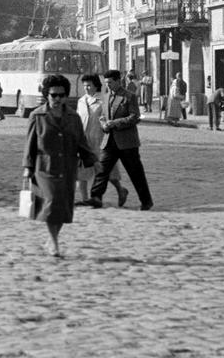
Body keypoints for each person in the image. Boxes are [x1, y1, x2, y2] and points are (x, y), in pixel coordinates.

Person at [22, 74, 98, 258]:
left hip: (67, 167)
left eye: (61, 95)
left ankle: (52, 238)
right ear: (47, 94)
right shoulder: (37, 115)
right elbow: (30, 143)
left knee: (62, 207)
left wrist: (93, 161)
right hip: (44, 167)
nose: (58, 99)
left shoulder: (73, 117)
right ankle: (54, 242)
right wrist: (27, 167)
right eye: (54, 95)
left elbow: (81, 141)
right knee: (51, 203)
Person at [84, 68, 154, 211]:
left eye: (110, 82)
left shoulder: (129, 96)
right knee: (102, 170)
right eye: (106, 83)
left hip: (127, 143)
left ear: (118, 81)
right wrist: (104, 124)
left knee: (136, 173)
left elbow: (135, 117)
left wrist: (115, 123)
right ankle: (96, 198)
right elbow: (103, 116)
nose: (107, 85)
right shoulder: (106, 97)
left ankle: (146, 201)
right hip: (109, 141)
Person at [75, 75, 129, 206]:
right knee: (81, 172)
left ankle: (121, 190)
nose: (86, 88)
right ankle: (85, 198)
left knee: (106, 171)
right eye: (85, 86)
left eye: (89, 85)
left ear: (96, 86)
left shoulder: (103, 101)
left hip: (100, 141)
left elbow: (107, 117)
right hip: (84, 142)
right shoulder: (81, 101)